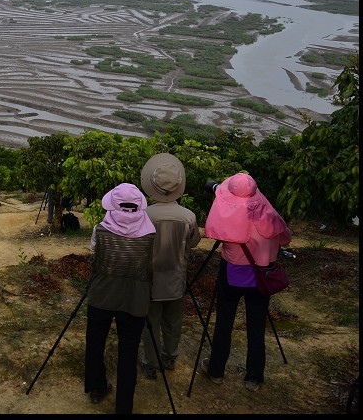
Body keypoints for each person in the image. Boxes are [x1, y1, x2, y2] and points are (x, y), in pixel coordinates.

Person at [200, 173, 292, 392]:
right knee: (257, 327)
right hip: (262, 277)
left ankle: (216, 371)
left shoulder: (227, 218)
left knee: (224, 323)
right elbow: (285, 237)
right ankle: (254, 377)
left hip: (232, 274)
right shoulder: (269, 215)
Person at [84, 183, 155, 414]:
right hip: (134, 299)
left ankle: (97, 388)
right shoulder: (150, 233)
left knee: (95, 343)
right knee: (128, 351)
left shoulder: (101, 229)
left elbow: (94, 252)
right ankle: (124, 406)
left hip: (101, 294)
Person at [138, 153, 201, 380]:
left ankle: (151, 362)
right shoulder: (188, 216)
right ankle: (170, 357)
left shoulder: (144, 215)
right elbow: (193, 243)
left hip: (150, 279)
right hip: (176, 277)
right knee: (173, 321)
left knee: (151, 321)